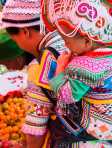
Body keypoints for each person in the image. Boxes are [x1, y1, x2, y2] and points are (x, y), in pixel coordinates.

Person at [42, 0, 112, 147]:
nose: (65, 45)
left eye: (66, 41)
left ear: (87, 41)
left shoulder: (87, 68)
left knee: (60, 116)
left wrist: (60, 66)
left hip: (106, 125)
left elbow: (66, 96)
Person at [0, 0, 68, 147]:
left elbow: (35, 130)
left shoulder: (39, 67)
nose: (18, 45)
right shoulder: (67, 37)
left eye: (15, 39)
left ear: (25, 32)